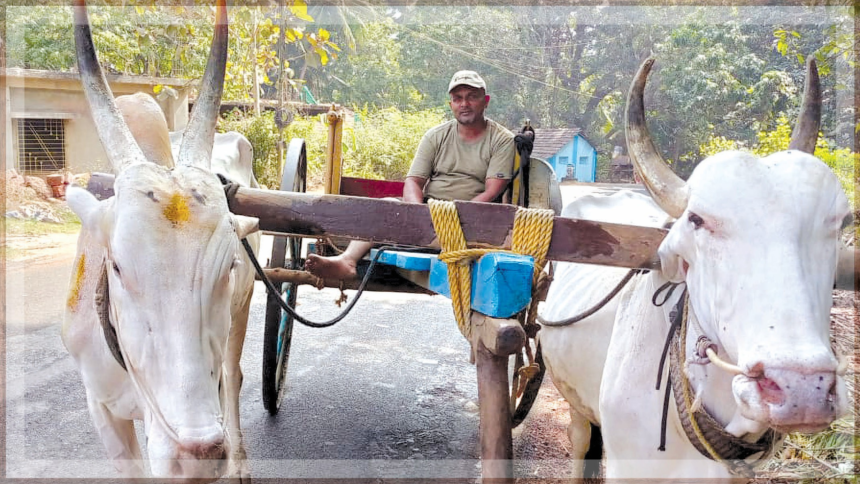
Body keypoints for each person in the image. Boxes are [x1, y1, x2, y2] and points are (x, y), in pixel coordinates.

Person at [305, 70, 516, 280]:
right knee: (386, 205)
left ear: (485, 101)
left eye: (472, 97)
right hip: (429, 210)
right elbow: (414, 181)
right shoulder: (436, 136)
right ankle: (347, 261)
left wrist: (453, 215)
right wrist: (417, 213)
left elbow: (492, 190)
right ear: (450, 104)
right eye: (458, 98)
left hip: (473, 218)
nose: (464, 104)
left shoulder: (502, 139)